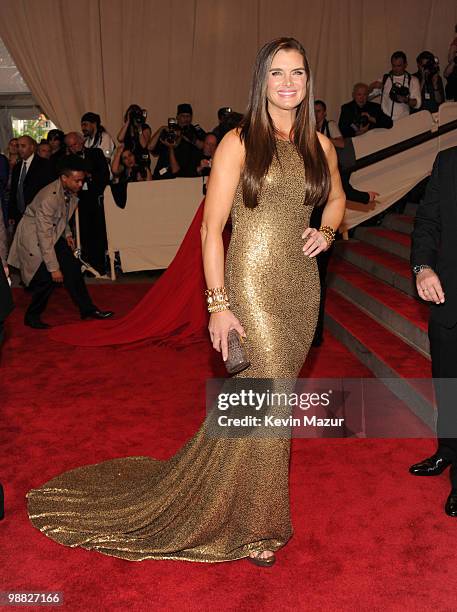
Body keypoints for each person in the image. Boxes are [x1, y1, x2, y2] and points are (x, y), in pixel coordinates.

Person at [26, 37, 345, 566]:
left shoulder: (321, 145)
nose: (288, 82)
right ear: (261, 81)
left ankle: (234, 501)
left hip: (302, 288)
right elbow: (211, 230)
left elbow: (334, 199)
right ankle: (257, 528)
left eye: (298, 72)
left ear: (309, 80)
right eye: (277, 73)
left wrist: (328, 233)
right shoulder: (239, 142)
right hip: (252, 284)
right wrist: (219, 303)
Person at [7, 155, 113, 329]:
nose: (81, 184)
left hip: (53, 233)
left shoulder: (66, 190)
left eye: (82, 180)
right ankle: (32, 316)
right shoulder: (49, 197)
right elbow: (44, 235)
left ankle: (87, 310)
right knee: (47, 278)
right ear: (64, 178)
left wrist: (68, 233)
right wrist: (54, 268)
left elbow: (61, 215)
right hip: (35, 237)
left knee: (73, 269)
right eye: (77, 181)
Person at [409, 147, 457, 517]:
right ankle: (448, 449)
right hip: (448, 297)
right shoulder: (448, 160)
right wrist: (423, 267)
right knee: (446, 380)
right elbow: (427, 221)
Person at [64, 132, 110, 275]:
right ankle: (86, 265)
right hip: (77, 200)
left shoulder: (96, 153)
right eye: (70, 146)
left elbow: (104, 175)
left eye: (75, 144)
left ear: (82, 141)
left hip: (95, 199)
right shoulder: (67, 160)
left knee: (98, 233)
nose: (74, 148)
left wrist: (87, 175)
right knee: (81, 233)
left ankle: (99, 266)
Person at [8, 135, 54, 225]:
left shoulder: (44, 165)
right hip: (19, 215)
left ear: (32, 148)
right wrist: (12, 214)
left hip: (38, 215)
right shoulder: (17, 167)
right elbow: (14, 191)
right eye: (18, 146)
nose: (20, 149)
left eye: (23, 146)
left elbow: (50, 190)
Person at [370, 51, 421, 121]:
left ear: (405, 64)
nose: (396, 69)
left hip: (403, 121)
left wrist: (405, 99)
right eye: (393, 65)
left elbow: (417, 104)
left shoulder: (413, 80)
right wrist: (371, 86)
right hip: (385, 122)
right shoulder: (385, 79)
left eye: (399, 66)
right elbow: (367, 97)